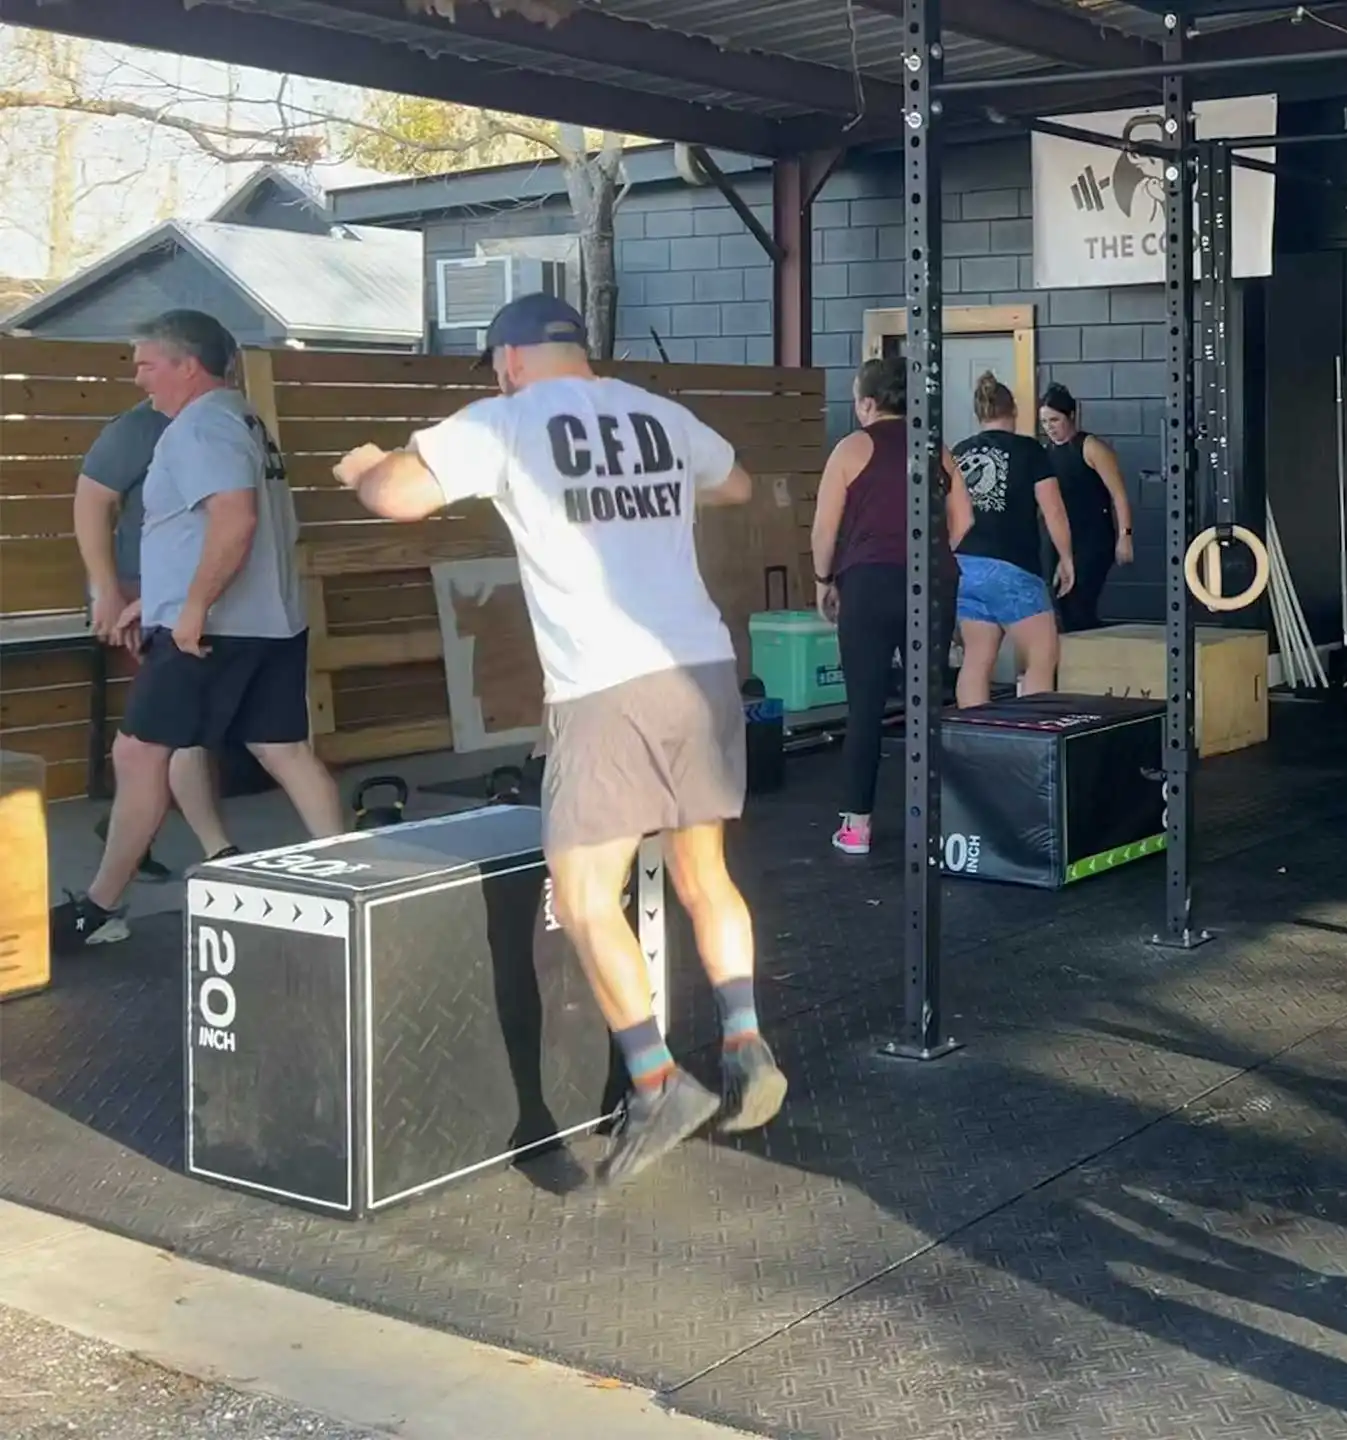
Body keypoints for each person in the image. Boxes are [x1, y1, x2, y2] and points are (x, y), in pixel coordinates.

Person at [329, 294, 785, 1186]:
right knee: (704, 874)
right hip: (701, 663)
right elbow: (734, 484)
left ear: (508, 361)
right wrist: (652, 497)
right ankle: (744, 1039)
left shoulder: (505, 420)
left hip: (606, 685)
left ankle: (657, 1082)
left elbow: (398, 497)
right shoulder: (657, 414)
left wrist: (365, 466)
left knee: (581, 893)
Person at [50, 310, 343, 949]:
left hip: (210, 632)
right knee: (283, 749)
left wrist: (189, 609)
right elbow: (203, 531)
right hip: (266, 621)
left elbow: (234, 521)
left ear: (187, 365)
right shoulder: (243, 418)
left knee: (139, 753)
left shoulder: (200, 427)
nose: (138, 379)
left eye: (147, 364)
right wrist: (156, 600)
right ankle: (358, 881)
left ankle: (100, 907)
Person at [71, 396, 240, 880]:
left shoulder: (226, 424)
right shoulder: (139, 427)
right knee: (175, 721)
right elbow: (91, 501)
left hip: (196, 591)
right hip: (144, 592)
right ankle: (218, 849)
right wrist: (106, 591)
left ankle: (127, 832)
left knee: (172, 723)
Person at [809, 357, 971, 857]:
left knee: (865, 707)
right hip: (933, 582)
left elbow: (824, 530)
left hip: (869, 583)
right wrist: (936, 556)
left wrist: (823, 580)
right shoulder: (936, 449)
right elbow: (964, 521)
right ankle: (937, 825)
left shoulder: (850, 448)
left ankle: (857, 826)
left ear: (867, 403)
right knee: (928, 705)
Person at [950, 373, 1077, 707]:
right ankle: (1033, 734)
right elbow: (1054, 510)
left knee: (977, 658)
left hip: (965, 566)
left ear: (979, 413)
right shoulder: (1029, 450)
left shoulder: (959, 452)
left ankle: (974, 732)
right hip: (1011, 566)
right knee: (1041, 655)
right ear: (1014, 410)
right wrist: (1066, 559)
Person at [1037, 383, 1133, 633]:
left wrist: (1125, 535)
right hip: (1058, 537)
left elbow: (1118, 494)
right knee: (1057, 606)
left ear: (1070, 416)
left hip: (1091, 537)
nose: (1049, 428)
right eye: (1044, 422)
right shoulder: (1046, 452)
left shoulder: (1090, 447)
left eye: (1055, 420)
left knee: (1077, 602)